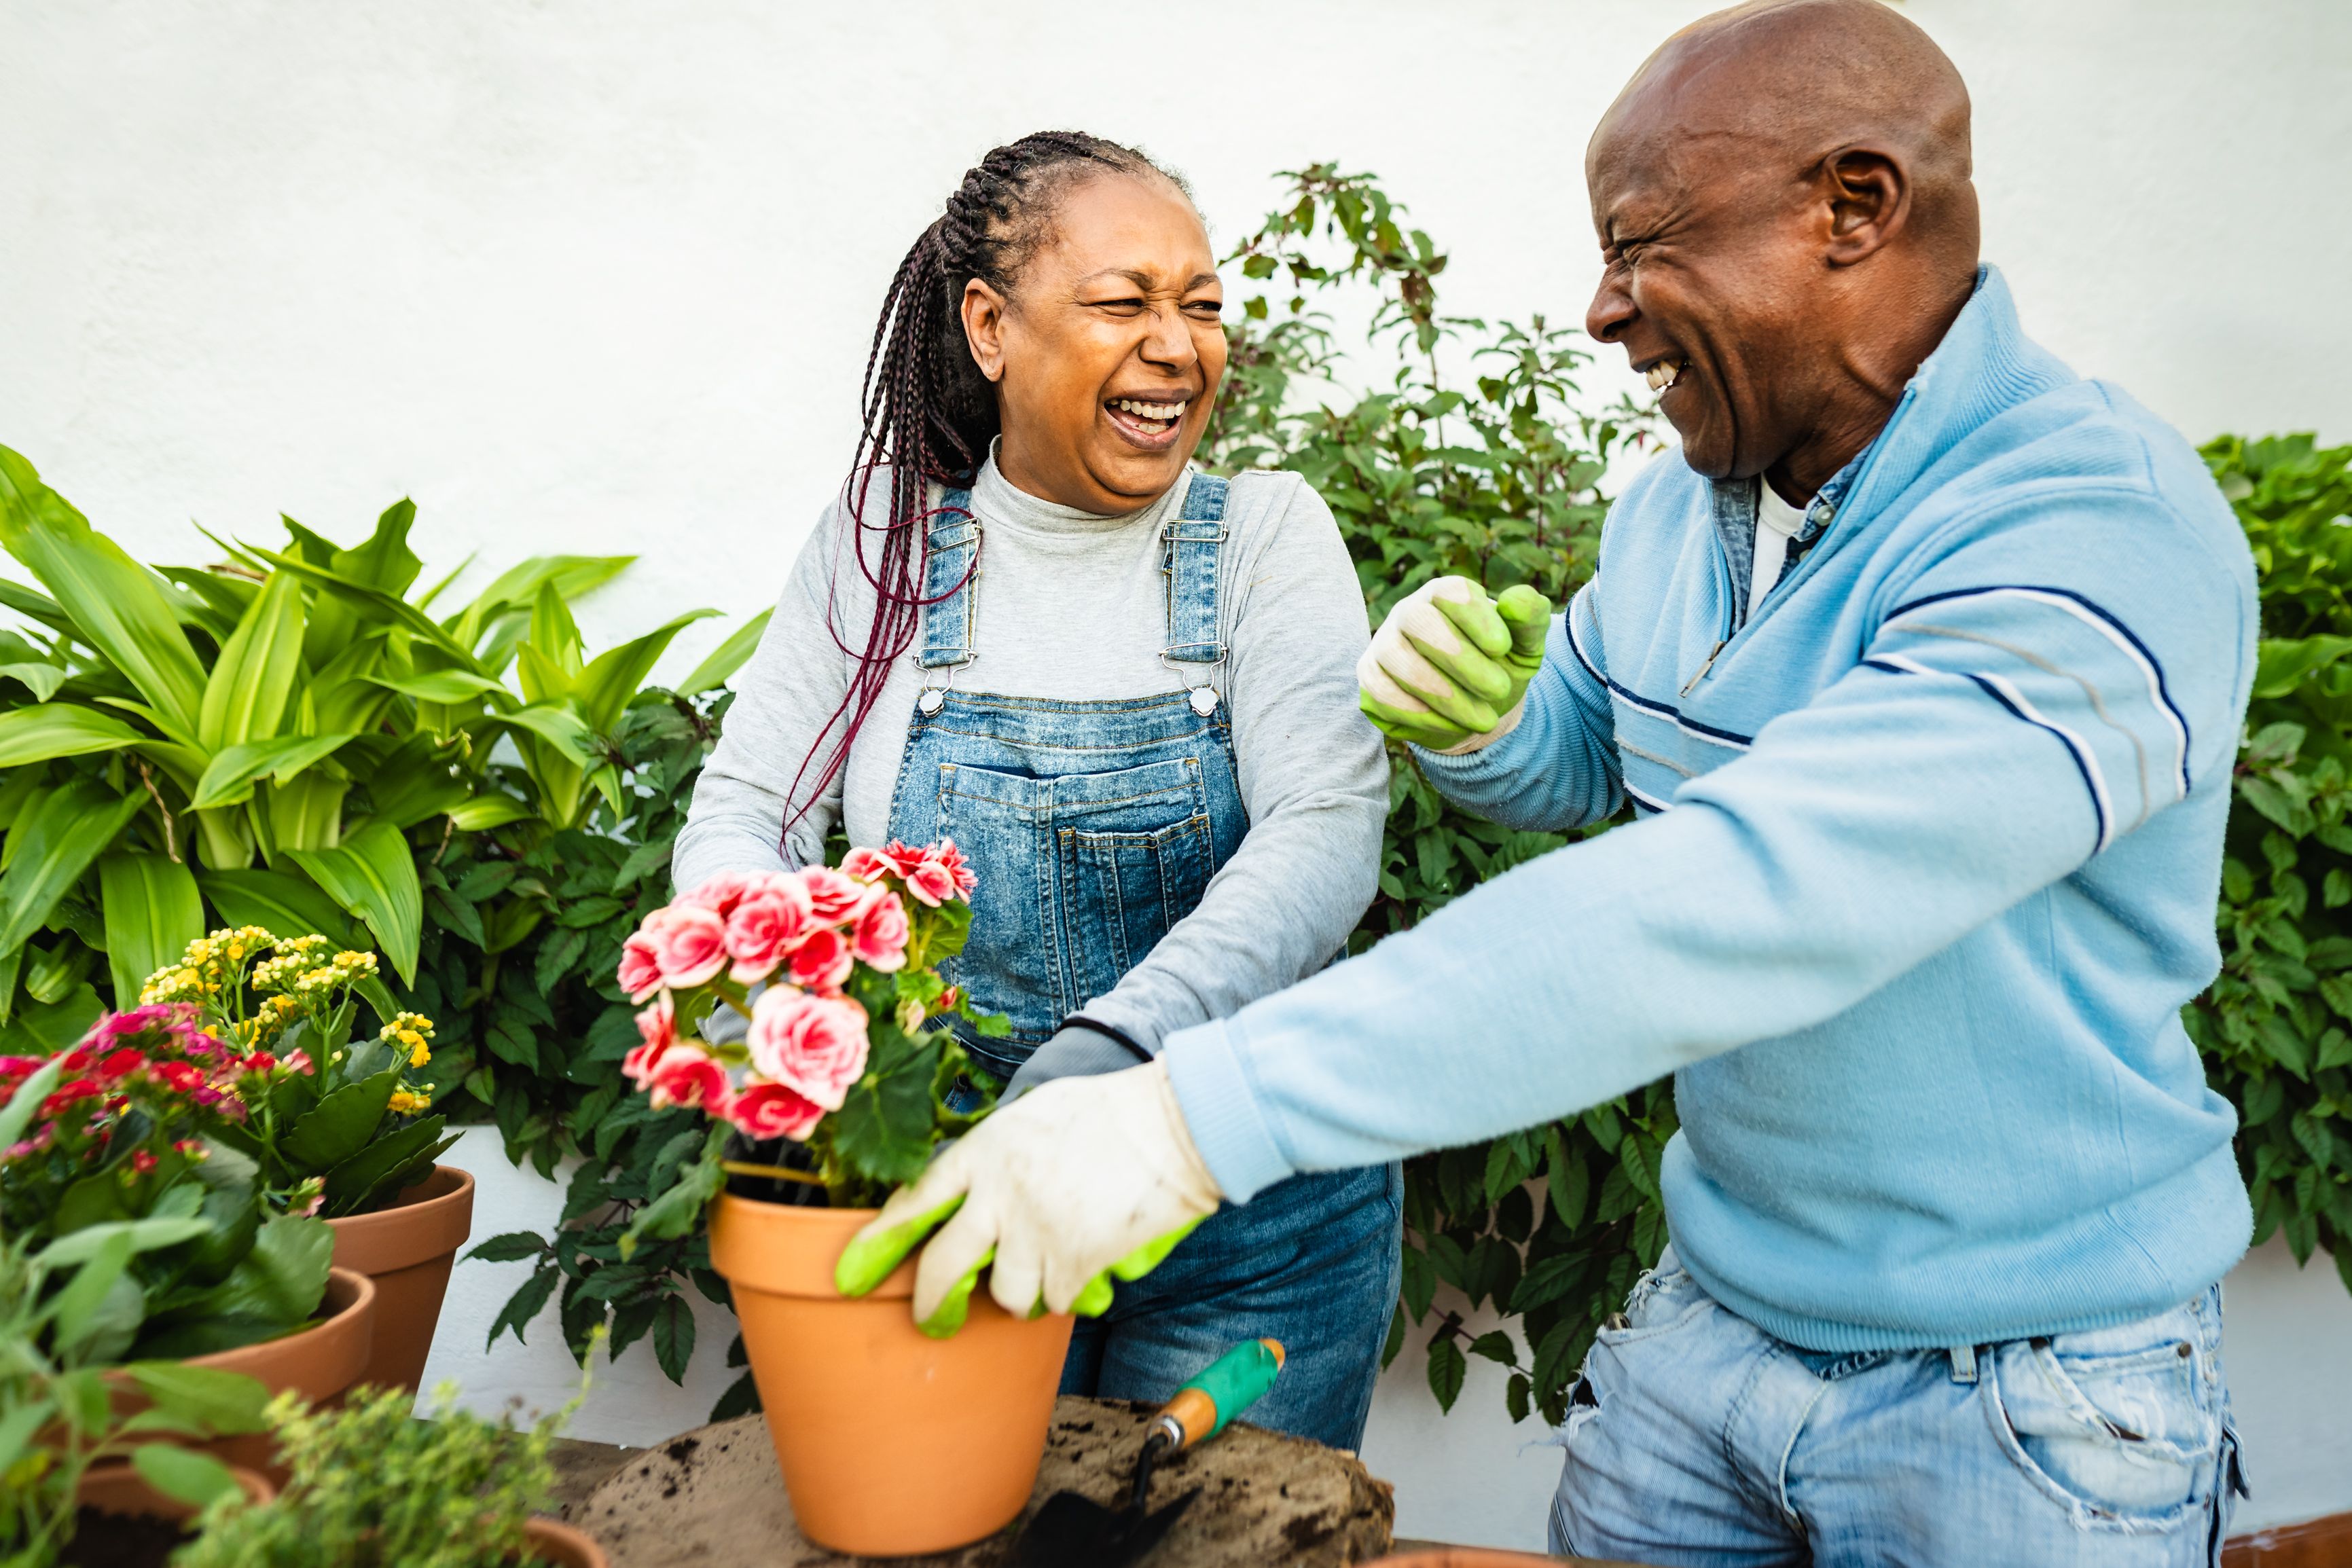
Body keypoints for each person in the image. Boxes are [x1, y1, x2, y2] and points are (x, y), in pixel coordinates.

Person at [847, 5, 2259, 1562]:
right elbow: (1588, 759)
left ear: (1852, 208)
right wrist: (1486, 728)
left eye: (1644, 244)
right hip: (1710, 1341)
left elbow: (1751, 893)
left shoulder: (2089, 527)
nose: (1602, 310)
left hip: (2020, 1398)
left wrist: (1186, 1119)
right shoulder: (1681, 511)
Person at [672, 132, 1398, 1450]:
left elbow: (1325, 829)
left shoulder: (1263, 538)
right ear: (993, 327)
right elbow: (748, 807)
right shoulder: (889, 542)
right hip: (966, 1198)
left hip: (1250, 1208)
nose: (1179, 346)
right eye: (1124, 302)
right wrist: (777, 1013)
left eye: (1203, 305)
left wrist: (1110, 1054)